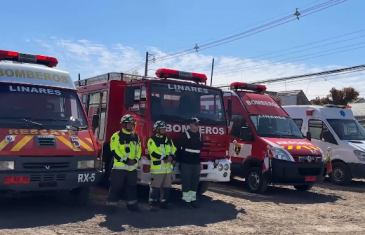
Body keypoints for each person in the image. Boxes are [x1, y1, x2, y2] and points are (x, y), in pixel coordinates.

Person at [106, 114, 141, 213]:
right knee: (116, 187)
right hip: (119, 168)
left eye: (132, 124)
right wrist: (125, 160)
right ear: (124, 125)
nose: (131, 126)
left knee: (132, 187)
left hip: (132, 168)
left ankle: (132, 205)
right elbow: (115, 151)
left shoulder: (136, 137)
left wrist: (135, 160)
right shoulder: (116, 136)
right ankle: (111, 206)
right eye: (129, 124)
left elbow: (138, 150)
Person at [147, 120, 177, 211]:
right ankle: (153, 204)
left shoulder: (169, 140)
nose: (164, 130)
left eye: (165, 129)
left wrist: (171, 156)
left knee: (167, 188)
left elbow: (174, 150)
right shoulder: (152, 140)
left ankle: (164, 202)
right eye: (162, 129)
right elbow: (153, 153)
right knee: (155, 188)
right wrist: (165, 158)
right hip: (158, 169)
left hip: (168, 169)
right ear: (157, 130)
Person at [176, 117, 203, 208]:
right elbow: (178, 148)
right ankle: (186, 201)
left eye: (198, 124)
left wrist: (200, 163)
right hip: (186, 163)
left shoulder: (200, 135)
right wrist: (180, 161)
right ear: (190, 124)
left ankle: (192, 200)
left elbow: (199, 150)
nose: (197, 126)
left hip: (196, 163)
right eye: (196, 124)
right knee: (186, 182)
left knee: (195, 182)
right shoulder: (185, 135)